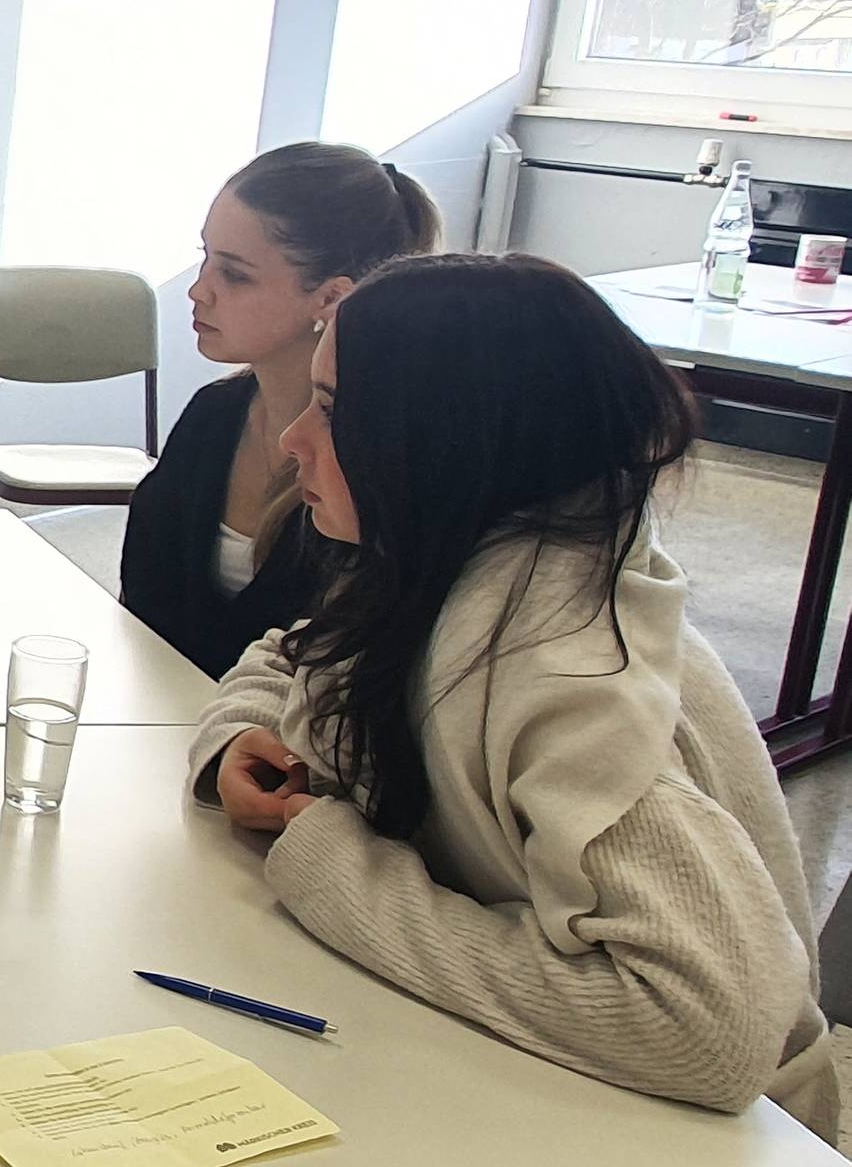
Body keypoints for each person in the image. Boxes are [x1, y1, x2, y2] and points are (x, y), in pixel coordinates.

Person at [193, 253, 838, 1136]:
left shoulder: (568, 674)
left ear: (449, 439)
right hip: (511, 1074)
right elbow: (288, 657)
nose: (295, 439)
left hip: (690, 1135)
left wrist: (336, 868)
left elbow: (710, 1036)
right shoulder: (438, 561)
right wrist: (239, 738)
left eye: (337, 411)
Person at [123, 143, 439, 677]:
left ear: (331, 298)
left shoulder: (372, 461)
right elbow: (141, 608)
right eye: (204, 259)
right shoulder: (214, 416)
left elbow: (336, 667)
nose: (199, 291)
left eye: (235, 275)